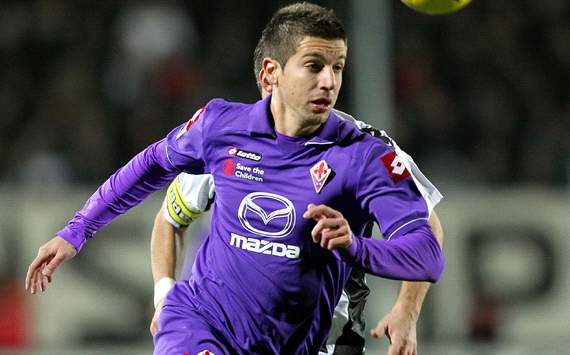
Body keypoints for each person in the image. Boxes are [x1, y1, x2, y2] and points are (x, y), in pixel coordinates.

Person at [26, 3, 444, 354]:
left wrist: (358, 249)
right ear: (270, 74)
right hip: (201, 322)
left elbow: (427, 250)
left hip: (303, 340)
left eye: (338, 67)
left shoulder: (364, 155)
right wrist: (78, 231)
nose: (329, 81)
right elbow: (154, 171)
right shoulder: (221, 129)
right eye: (314, 66)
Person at [150, 114, 443, 355]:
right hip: (231, 338)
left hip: (327, 342)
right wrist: (163, 294)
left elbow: (426, 228)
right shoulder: (228, 138)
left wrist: (407, 310)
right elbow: (170, 219)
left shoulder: (365, 148)